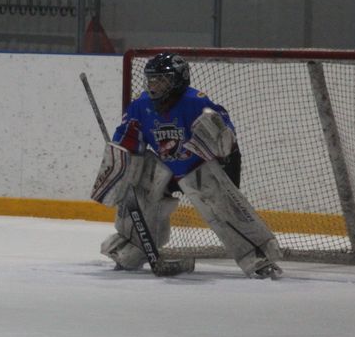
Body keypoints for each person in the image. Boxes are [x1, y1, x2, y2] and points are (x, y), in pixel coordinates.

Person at [91, 52, 283, 278]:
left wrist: (220, 140)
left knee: (217, 201)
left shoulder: (196, 102)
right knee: (139, 183)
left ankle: (258, 256)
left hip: (198, 167)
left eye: (161, 80)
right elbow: (128, 142)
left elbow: (225, 140)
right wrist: (120, 161)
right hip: (166, 169)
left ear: (178, 80)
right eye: (151, 80)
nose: (154, 86)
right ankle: (133, 246)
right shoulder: (140, 106)